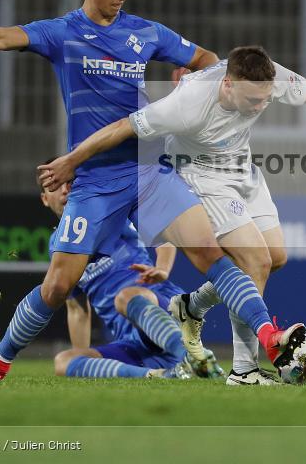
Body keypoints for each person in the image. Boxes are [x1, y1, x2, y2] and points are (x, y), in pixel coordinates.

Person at [0, 0, 306, 383]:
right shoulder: (62, 33)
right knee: (58, 286)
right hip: (95, 181)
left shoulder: (145, 33)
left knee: (211, 253)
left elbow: (206, 59)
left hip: (149, 171)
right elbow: (1, 36)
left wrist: (192, 76)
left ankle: (268, 337)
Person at [39, 45, 306, 385]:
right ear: (228, 85)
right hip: (201, 177)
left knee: (276, 257)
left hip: (242, 171)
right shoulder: (185, 106)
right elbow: (121, 127)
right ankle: (244, 371)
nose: (261, 106)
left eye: (265, 99)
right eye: (253, 100)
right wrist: (72, 160)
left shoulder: (263, 76)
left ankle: (192, 306)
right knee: (256, 261)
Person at [31, 161, 224, 380]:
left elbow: (164, 236)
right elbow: (77, 310)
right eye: (54, 186)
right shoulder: (58, 247)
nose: (65, 190)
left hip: (164, 311)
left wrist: (162, 268)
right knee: (64, 361)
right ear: (45, 199)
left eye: (70, 182)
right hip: (136, 344)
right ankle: (160, 375)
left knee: (126, 296)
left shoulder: (109, 214)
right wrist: (82, 356)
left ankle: (194, 356)